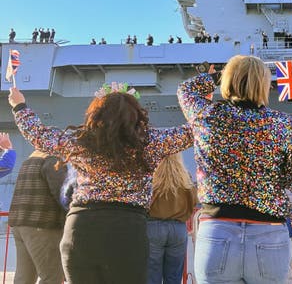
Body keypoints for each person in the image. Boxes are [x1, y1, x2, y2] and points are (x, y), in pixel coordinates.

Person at [8, 83, 194, 284]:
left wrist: (20, 106)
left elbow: (39, 134)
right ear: (135, 115)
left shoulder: (81, 141)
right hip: (128, 229)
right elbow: (192, 132)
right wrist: (202, 102)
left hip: (81, 228)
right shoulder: (150, 142)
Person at [177, 56, 292, 284]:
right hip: (268, 234)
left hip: (217, 233)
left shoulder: (208, 115)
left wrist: (222, 75)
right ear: (264, 84)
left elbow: (185, 90)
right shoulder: (281, 124)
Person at [9, 149, 67, 284]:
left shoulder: (28, 161)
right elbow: (63, 193)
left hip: (20, 225)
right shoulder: (52, 161)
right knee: (52, 277)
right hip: (42, 226)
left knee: (24, 278)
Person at [147, 153, 197, 284]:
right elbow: (193, 203)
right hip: (178, 229)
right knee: (174, 278)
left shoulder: (152, 177)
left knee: (151, 277)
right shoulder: (185, 178)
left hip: (152, 227)